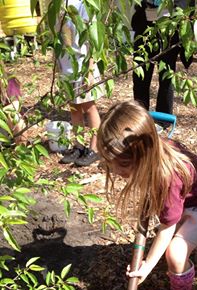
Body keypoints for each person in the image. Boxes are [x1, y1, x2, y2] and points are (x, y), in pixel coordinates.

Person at [96, 100, 197, 290]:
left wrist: (147, 266)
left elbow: (167, 226)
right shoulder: (153, 148)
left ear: (142, 159)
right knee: (171, 238)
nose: (115, 171)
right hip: (191, 199)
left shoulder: (167, 178)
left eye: (121, 166)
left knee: (175, 253)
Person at [57, 0, 104, 166]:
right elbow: (58, 37)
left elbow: (92, 39)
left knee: (89, 107)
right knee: (73, 107)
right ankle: (78, 146)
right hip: (67, 66)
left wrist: (90, 71)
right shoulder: (60, 4)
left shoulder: (84, 4)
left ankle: (95, 148)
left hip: (82, 65)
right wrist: (58, 65)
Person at [131, 0, 193, 115]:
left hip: (171, 26)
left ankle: (163, 119)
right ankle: (140, 116)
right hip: (145, 23)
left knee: (167, 75)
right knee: (140, 74)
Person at [0, 61, 26, 145]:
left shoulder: (9, 81)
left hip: (4, 125)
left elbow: (15, 105)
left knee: (16, 118)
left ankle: (22, 152)